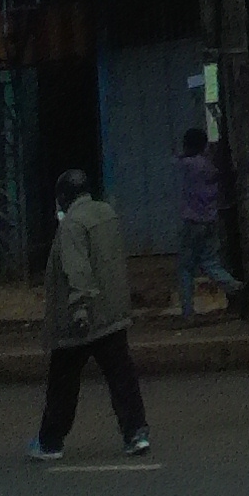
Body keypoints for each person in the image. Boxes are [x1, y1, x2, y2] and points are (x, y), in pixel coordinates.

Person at [27, 171, 151, 462]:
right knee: (122, 377)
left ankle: (50, 442)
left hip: (80, 320)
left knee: (62, 384)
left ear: (63, 197)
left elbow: (77, 269)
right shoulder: (106, 212)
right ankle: (136, 434)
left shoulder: (72, 224)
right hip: (111, 313)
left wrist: (79, 309)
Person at [174, 128, 243, 321]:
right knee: (210, 261)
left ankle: (188, 312)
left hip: (191, 222)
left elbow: (176, 161)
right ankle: (234, 285)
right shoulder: (209, 167)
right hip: (210, 220)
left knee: (185, 268)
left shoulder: (185, 165)